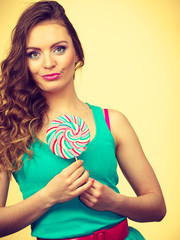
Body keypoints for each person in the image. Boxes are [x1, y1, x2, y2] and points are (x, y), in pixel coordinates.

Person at [0, 1, 166, 239]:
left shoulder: (113, 122)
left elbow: (157, 208)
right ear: (24, 62)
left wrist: (114, 201)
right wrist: (48, 196)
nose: (48, 63)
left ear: (76, 52)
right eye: (34, 54)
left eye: (59, 48)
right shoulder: (9, 130)